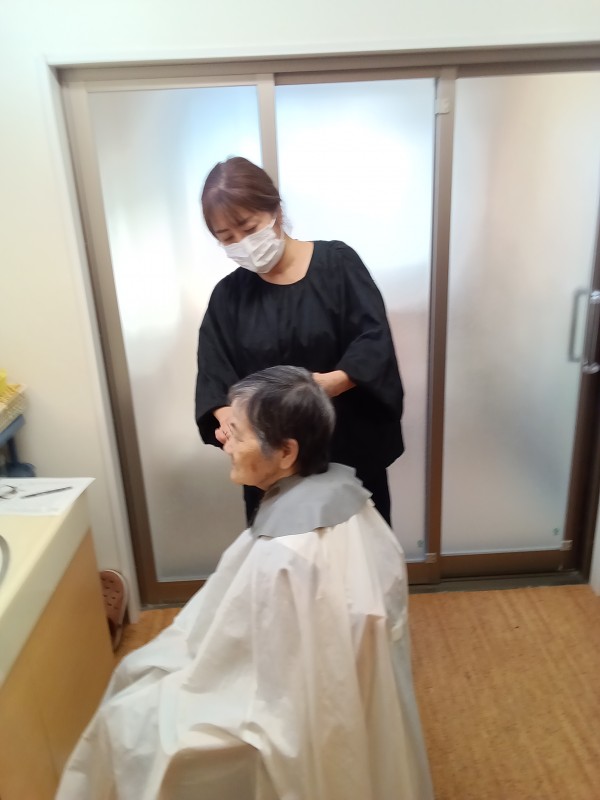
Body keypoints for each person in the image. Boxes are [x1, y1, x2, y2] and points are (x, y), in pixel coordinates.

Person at [56, 366, 433, 800]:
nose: (224, 441)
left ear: (286, 452)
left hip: (286, 703)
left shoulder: (285, 555)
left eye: (236, 432)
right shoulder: (351, 498)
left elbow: (253, 673)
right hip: (340, 686)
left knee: (131, 708)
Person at [195, 156, 404, 526]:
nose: (242, 244)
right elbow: (214, 371)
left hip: (349, 448)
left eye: (248, 228)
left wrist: (331, 384)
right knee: (283, 553)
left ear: (275, 210)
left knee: (354, 551)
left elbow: (373, 340)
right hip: (271, 467)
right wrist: (227, 418)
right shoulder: (228, 297)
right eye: (227, 238)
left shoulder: (337, 264)